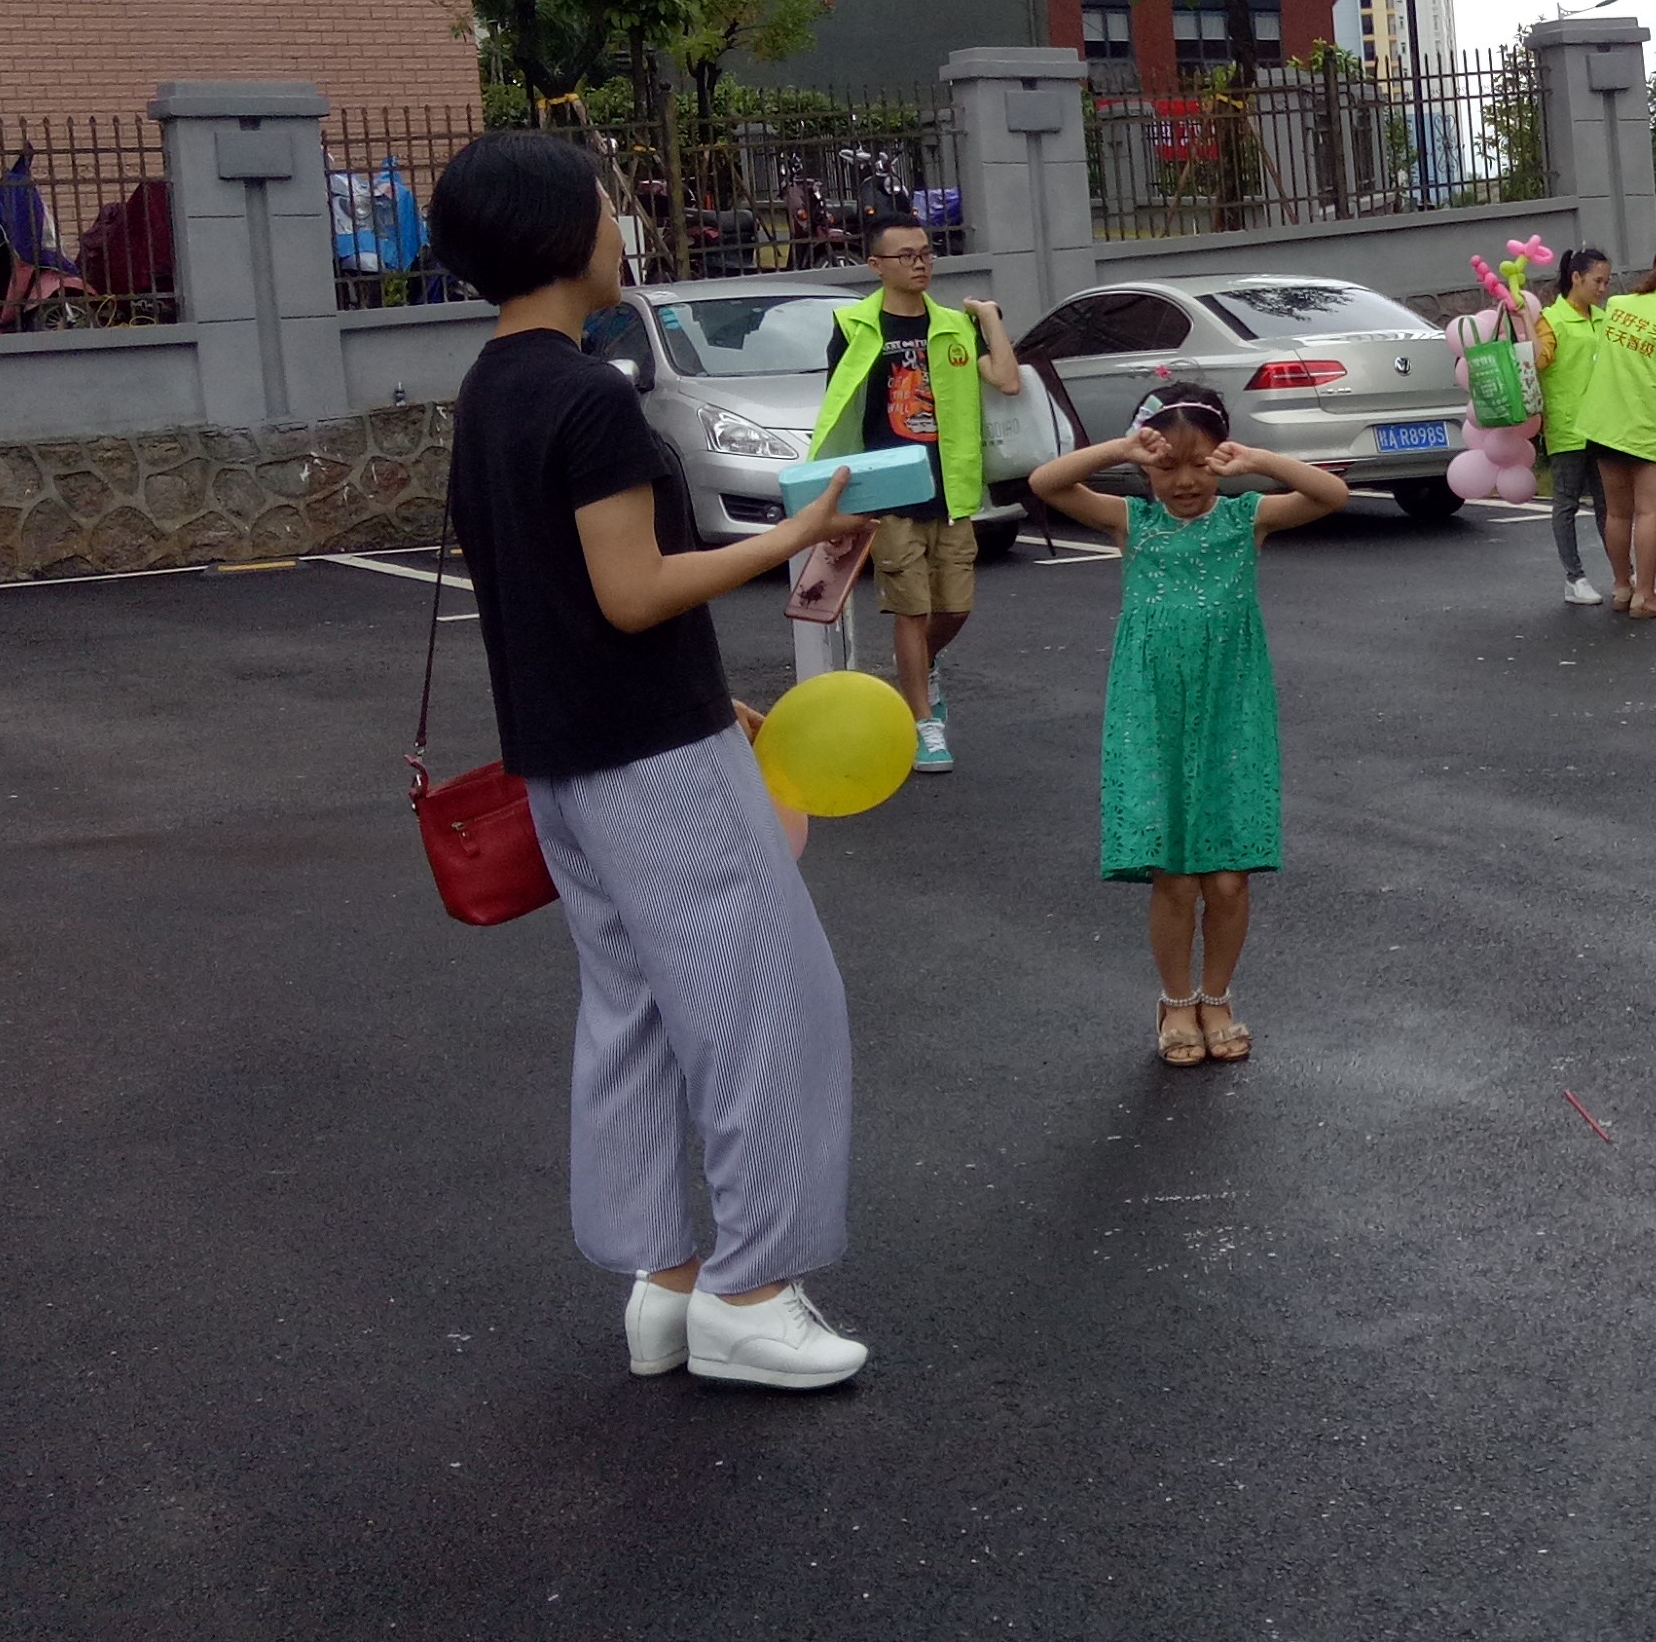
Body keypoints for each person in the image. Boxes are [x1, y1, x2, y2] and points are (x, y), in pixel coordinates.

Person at [427, 132, 878, 1391]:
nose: (624, 230)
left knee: (632, 1015)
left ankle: (663, 1281)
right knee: (764, 1011)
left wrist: (710, 692)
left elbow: (562, 599)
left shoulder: (493, 387)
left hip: (565, 761)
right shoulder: (584, 395)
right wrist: (796, 528)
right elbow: (630, 592)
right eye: (609, 211)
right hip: (650, 765)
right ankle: (750, 1288)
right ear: (560, 233)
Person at [1020, 383, 1350, 1066]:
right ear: (1144, 468)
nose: (1185, 481)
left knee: (1229, 876)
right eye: (1166, 466)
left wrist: (1258, 458)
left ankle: (1219, 995)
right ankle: (1175, 1003)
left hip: (1233, 704)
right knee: (1173, 873)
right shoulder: (1131, 522)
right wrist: (1117, 447)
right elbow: (1045, 482)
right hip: (1153, 708)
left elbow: (1330, 495)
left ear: (1222, 459)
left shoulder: (1245, 519)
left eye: (1200, 464)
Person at [808, 212, 1025, 772]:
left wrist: (987, 317)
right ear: (876, 265)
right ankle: (924, 722)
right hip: (888, 492)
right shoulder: (854, 325)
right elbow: (842, 414)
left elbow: (1006, 378)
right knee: (912, 608)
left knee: (955, 605)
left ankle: (919, 669)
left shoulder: (954, 325)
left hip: (951, 486)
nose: (920, 263)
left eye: (926, 252)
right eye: (906, 255)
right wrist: (841, 496)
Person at [1585, 251, 1656, 618]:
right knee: (1650, 512)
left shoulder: (1617, 305)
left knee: (1617, 513)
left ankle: (1622, 588)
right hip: (1649, 428)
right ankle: (1646, 597)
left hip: (1605, 422)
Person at [1533, 248, 1617, 608]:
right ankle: (1574, 577)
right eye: (1597, 280)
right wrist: (1525, 321)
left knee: (1609, 506)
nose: (1603, 288)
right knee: (1566, 504)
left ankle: (1622, 575)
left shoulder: (1603, 319)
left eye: (1606, 281)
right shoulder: (1551, 319)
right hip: (1568, 426)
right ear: (1576, 278)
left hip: (1603, 426)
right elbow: (1538, 359)